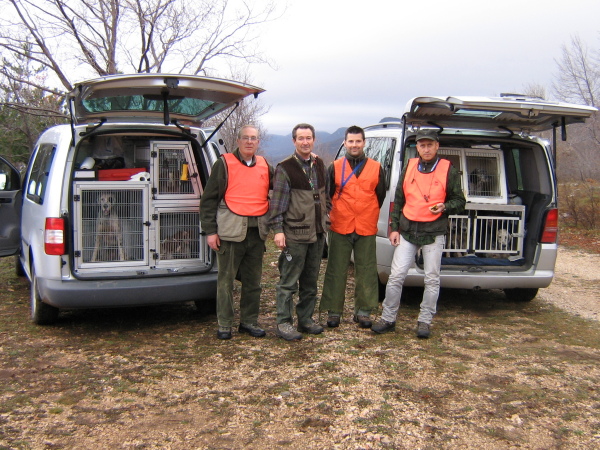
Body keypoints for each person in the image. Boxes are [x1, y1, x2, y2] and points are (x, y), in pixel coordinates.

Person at [371, 130, 465, 338]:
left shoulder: (448, 169)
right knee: (396, 276)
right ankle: (388, 318)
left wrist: (444, 206)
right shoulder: (410, 166)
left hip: (434, 231)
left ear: (437, 146)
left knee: (431, 278)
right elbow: (399, 198)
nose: (426, 149)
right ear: (418, 148)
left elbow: (460, 202)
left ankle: (424, 321)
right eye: (422, 145)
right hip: (407, 230)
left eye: (430, 145)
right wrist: (394, 228)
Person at [199, 125, 273, 340]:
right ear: (238, 141)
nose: (250, 142)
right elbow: (208, 200)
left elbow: (282, 183)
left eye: (254, 138)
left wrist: (308, 161)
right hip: (230, 232)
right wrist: (210, 231)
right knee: (226, 281)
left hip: (256, 233)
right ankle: (225, 324)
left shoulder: (265, 165)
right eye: (246, 138)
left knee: (253, 282)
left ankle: (249, 322)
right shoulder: (223, 164)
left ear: (258, 142)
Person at [320, 125, 386, 329]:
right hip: (340, 224)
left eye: (358, 141)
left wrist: (365, 211)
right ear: (345, 143)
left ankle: (364, 312)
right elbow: (327, 195)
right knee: (336, 268)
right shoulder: (335, 166)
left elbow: (380, 195)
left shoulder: (376, 167)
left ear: (364, 143)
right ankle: (334, 311)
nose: (354, 145)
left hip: (366, 225)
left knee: (366, 269)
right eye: (351, 141)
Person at [269, 123, 329, 341]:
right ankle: (284, 322)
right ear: (294, 141)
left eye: (309, 138)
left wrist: (325, 216)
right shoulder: (284, 168)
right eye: (301, 138)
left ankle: (306, 319)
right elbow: (277, 204)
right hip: (294, 234)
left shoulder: (320, 164)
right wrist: (278, 230)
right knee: (288, 280)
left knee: (311, 280)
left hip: (317, 233)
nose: (305, 142)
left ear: (314, 140)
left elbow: (326, 196)